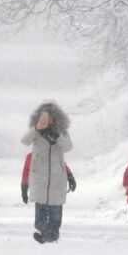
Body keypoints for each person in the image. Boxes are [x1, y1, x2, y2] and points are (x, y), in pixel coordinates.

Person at [20, 101, 73, 243]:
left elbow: (68, 147)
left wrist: (56, 135)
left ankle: (49, 236)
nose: (46, 119)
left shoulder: (61, 132)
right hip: (39, 179)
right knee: (39, 220)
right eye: (43, 116)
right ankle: (48, 235)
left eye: (49, 116)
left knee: (56, 218)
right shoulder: (35, 132)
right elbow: (24, 141)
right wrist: (36, 129)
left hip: (57, 178)